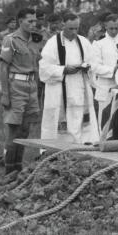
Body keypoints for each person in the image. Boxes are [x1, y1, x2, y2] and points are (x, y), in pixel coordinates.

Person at [40, 12, 99, 144]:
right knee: (59, 125)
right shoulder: (52, 43)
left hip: (80, 89)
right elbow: (44, 68)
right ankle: (56, 152)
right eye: (70, 28)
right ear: (62, 25)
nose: (74, 32)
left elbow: (94, 63)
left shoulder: (84, 42)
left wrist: (87, 67)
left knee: (80, 122)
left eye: (76, 28)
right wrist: (63, 69)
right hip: (59, 91)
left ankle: (83, 148)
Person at [0, 8, 40, 174]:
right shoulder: (10, 40)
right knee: (14, 129)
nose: (33, 24)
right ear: (20, 21)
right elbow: (3, 67)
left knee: (25, 129)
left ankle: (18, 166)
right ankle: (9, 171)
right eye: (29, 21)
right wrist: (5, 94)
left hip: (31, 86)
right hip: (16, 85)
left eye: (34, 21)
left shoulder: (34, 40)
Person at [92, 14, 118, 125]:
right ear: (105, 26)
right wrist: (113, 69)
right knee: (105, 121)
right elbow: (95, 67)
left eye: (116, 28)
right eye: (111, 28)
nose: (114, 31)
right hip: (105, 87)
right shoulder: (98, 43)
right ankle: (102, 141)